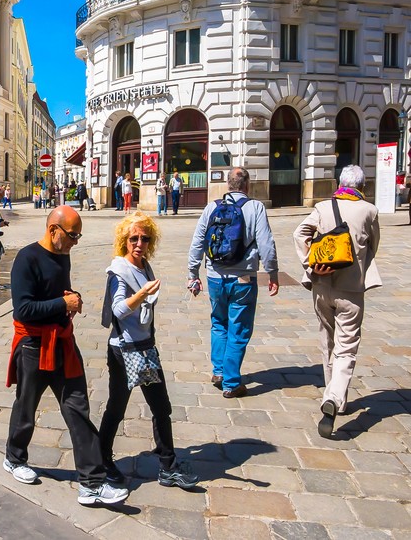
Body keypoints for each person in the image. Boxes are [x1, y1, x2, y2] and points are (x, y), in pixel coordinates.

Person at [3, 206, 126, 506]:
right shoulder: (26, 259)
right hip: (33, 346)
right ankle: (14, 458)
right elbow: (24, 309)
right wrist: (62, 302)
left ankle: (91, 483)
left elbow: (60, 292)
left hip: (63, 343)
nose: (76, 241)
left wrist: (73, 299)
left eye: (78, 235)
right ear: (53, 230)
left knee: (77, 408)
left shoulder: (63, 253)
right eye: (73, 235)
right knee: (26, 406)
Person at [97, 211, 194, 489]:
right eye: (134, 238)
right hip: (124, 352)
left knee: (161, 406)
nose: (139, 243)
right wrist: (141, 295)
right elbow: (118, 309)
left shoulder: (144, 266)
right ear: (124, 241)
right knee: (117, 407)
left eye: (145, 238)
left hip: (145, 349)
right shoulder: (119, 270)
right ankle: (102, 457)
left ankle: (168, 465)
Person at [295, 164, 382, 439]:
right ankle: (334, 397)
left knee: (327, 341)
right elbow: (374, 245)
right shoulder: (369, 210)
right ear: (362, 186)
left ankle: (335, 397)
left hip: (321, 285)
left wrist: (310, 263)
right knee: (346, 347)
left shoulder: (322, 207)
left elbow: (299, 234)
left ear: (340, 182)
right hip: (352, 290)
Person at [186, 167, 277, 398]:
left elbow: (197, 241)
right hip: (243, 278)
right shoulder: (255, 207)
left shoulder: (212, 207)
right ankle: (232, 383)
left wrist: (193, 273)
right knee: (239, 329)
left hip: (215, 277)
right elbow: (266, 243)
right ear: (247, 186)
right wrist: (272, 272)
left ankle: (218, 371)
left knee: (218, 323)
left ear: (228, 185)